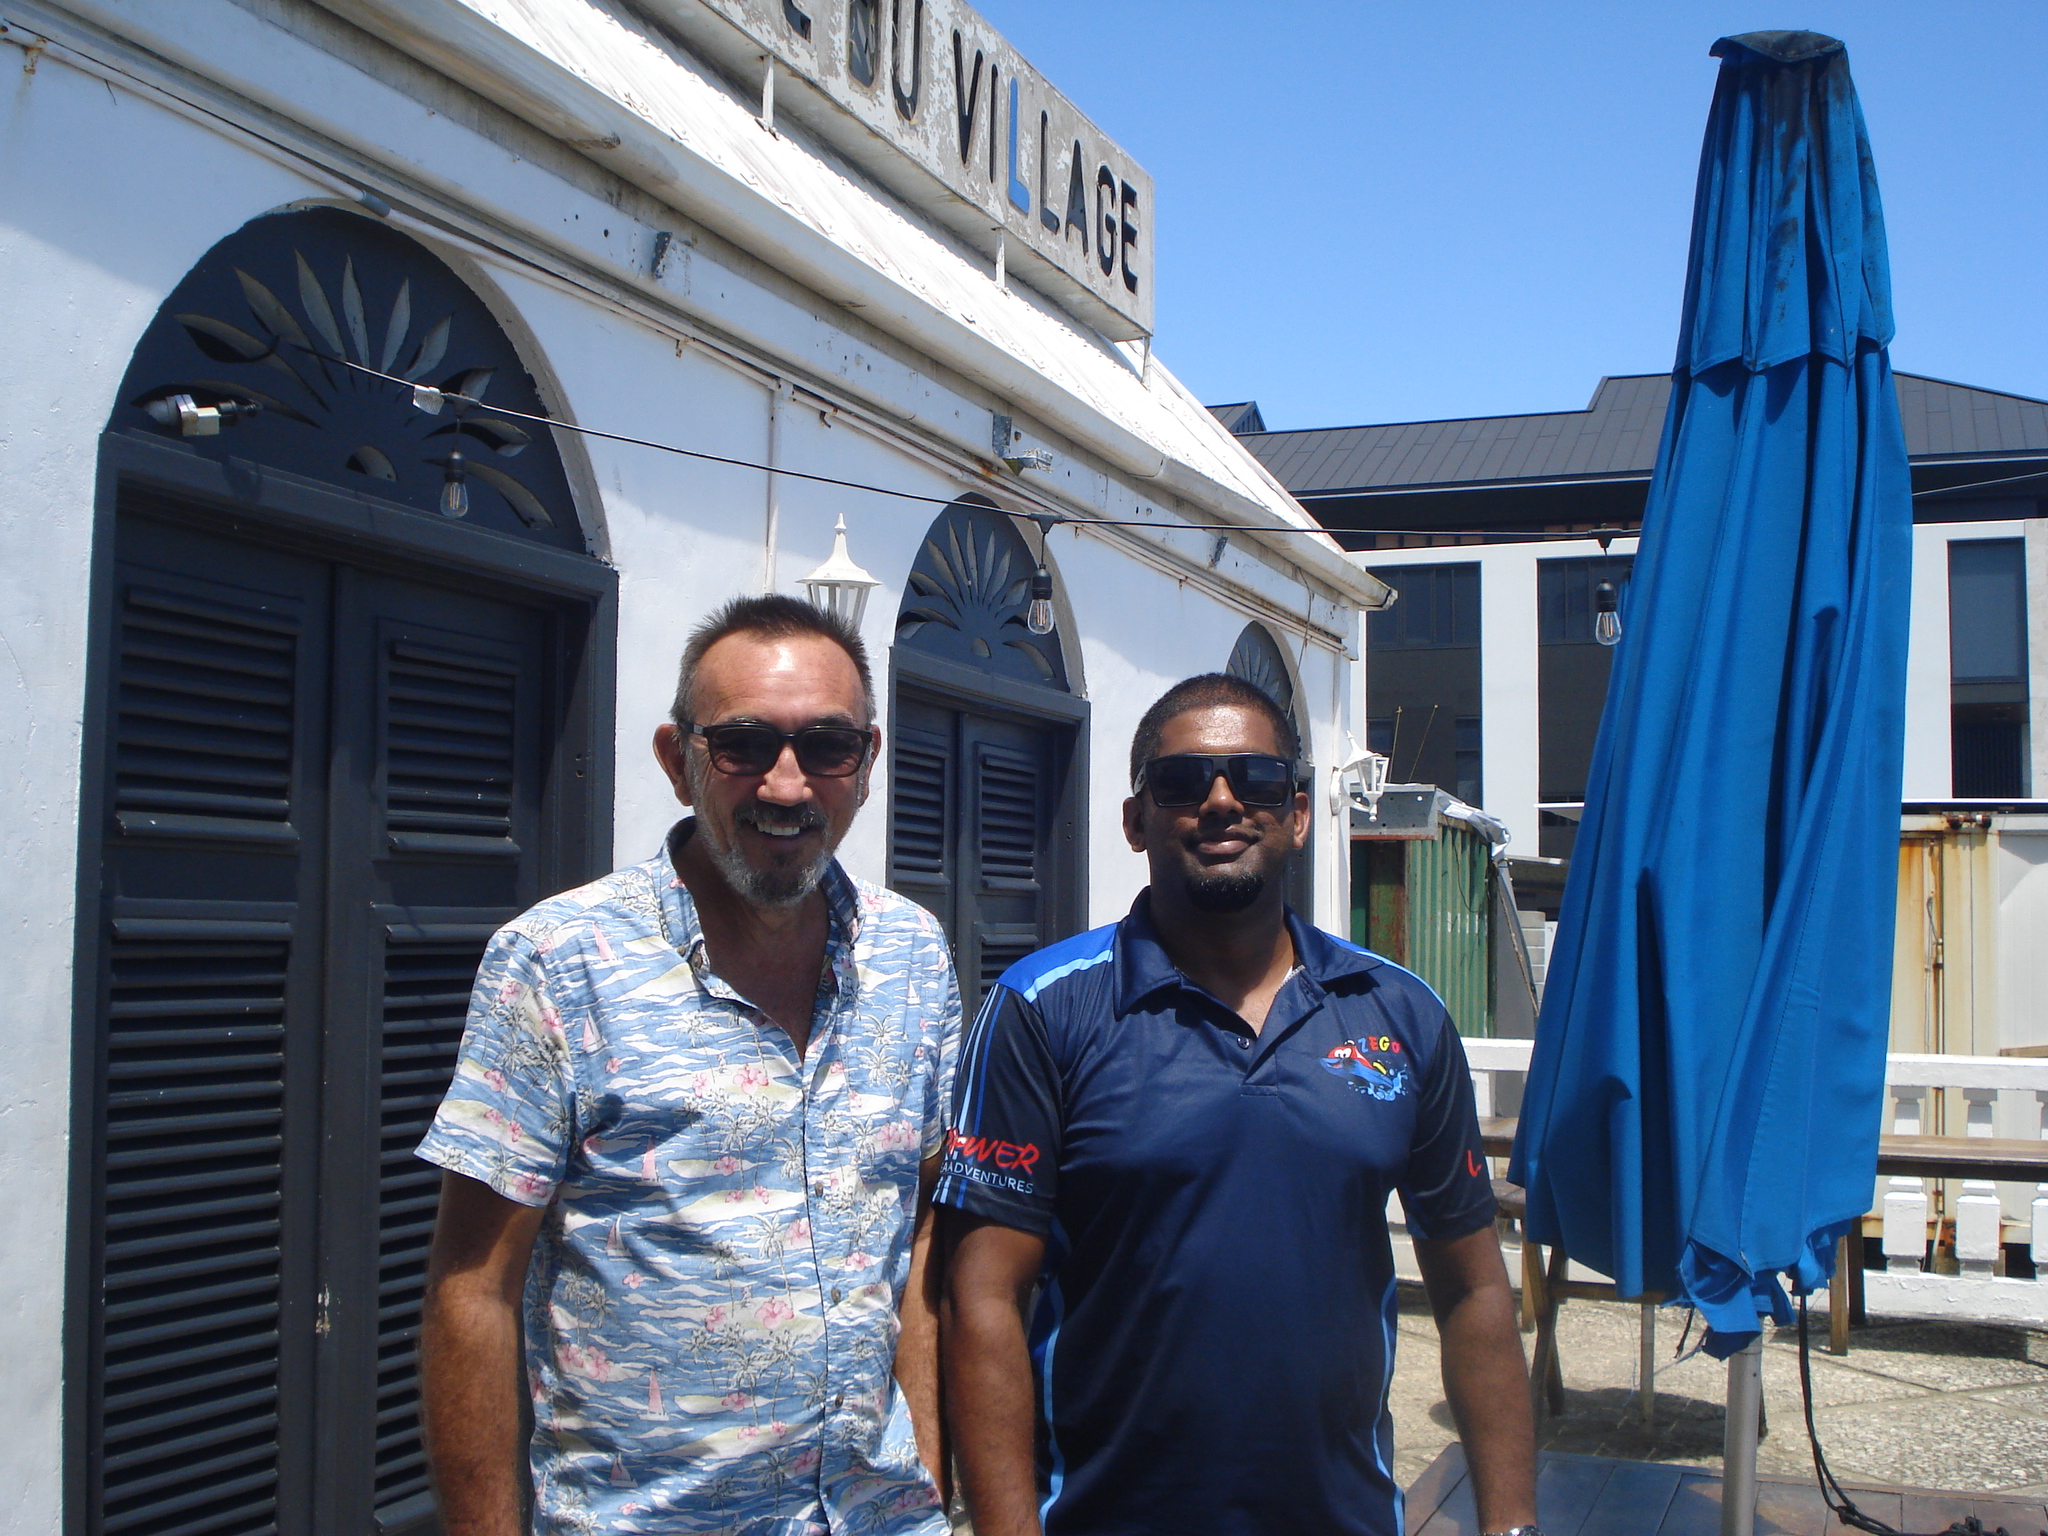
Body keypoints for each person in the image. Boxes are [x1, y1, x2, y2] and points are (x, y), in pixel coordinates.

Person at [937, 673, 1540, 1536]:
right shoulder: (1042, 1010)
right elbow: (982, 1301)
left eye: (1256, 779)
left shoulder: (1400, 1013)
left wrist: (1511, 1525)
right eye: (1182, 781)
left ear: (1298, 814)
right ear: (1135, 820)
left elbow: (1474, 1289)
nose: (1221, 801)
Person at [416, 594, 959, 1536]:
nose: (786, 786)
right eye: (743, 745)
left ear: (867, 763)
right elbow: (473, 1287)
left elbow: (919, 1241)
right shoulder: (561, 961)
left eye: (827, 746)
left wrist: (933, 1492)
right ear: (678, 761)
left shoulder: (911, 955)